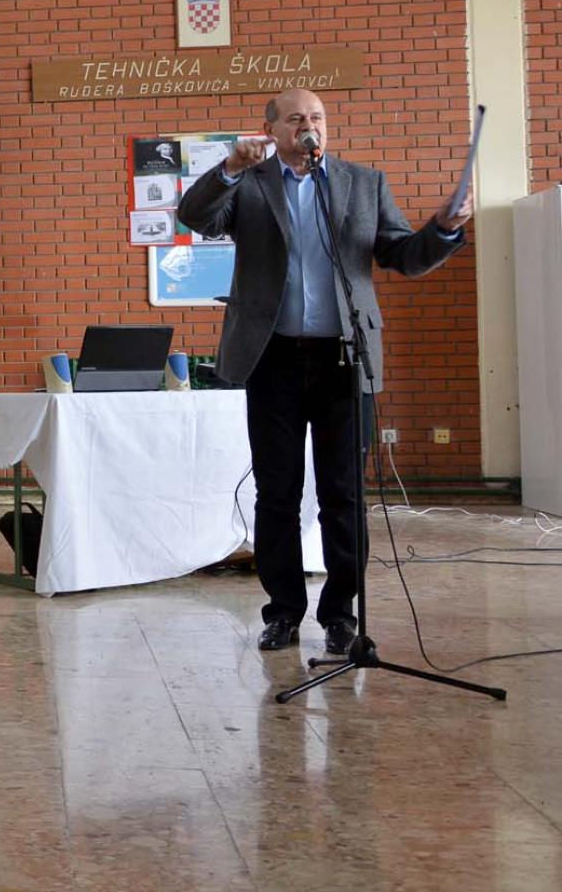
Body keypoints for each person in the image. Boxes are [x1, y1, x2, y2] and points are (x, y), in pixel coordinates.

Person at [178, 89, 472, 654]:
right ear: (271, 129)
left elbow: (402, 256)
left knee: (344, 495)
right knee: (277, 494)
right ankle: (284, 612)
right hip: (273, 358)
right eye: (295, 119)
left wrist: (444, 227)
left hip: (346, 357)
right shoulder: (250, 183)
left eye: (316, 117)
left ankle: (340, 615)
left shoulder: (363, 183)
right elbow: (196, 216)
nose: (308, 126)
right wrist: (230, 169)